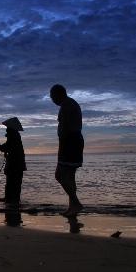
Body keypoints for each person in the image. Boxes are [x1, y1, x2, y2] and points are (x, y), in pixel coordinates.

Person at [50, 84, 84, 217]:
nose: (53, 100)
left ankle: (76, 203)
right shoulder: (72, 103)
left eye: (53, 97)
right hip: (76, 140)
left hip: (70, 141)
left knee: (59, 175)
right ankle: (72, 207)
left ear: (59, 93)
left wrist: (61, 147)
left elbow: (64, 128)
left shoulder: (66, 105)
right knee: (70, 176)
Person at [0, 117, 26, 203]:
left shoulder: (13, 134)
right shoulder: (15, 134)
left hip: (15, 164)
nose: (6, 128)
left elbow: (9, 146)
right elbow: (9, 145)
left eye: (7, 127)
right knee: (16, 184)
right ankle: (14, 201)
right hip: (18, 164)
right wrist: (0, 148)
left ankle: (10, 200)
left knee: (11, 182)